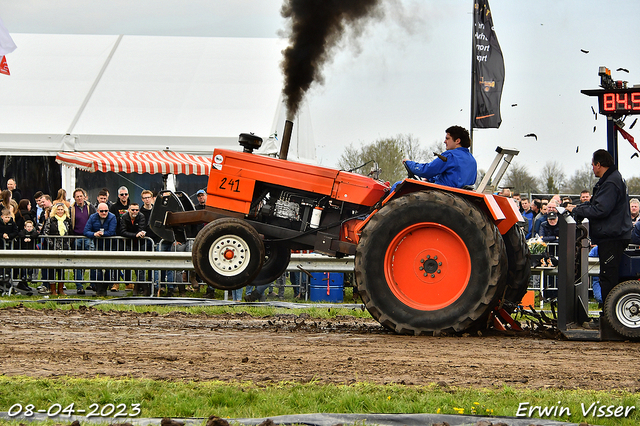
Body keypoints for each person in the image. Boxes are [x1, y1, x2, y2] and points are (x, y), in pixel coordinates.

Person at [567, 149, 632, 308]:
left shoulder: (610, 183)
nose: (592, 169)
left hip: (612, 237)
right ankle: (609, 314)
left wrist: (576, 211)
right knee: (608, 276)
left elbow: (601, 210)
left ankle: (608, 316)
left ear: (599, 164)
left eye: (592, 165)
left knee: (607, 277)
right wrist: (579, 207)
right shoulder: (613, 179)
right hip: (614, 235)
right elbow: (598, 205)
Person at [397, 125, 476, 190]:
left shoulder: (450, 156)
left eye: (447, 138)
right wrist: (430, 179)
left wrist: (409, 163)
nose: (444, 141)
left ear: (457, 141)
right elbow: (451, 177)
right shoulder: (472, 160)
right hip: (457, 194)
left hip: (444, 193)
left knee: (398, 186)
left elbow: (427, 170)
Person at [84, 203, 118, 296]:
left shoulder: (112, 217)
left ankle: (104, 289)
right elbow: (86, 230)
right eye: (102, 211)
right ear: (97, 211)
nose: (104, 213)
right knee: (97, 268)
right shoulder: (92, 217)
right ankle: (99, 289)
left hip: (110, 246)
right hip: (97, 246)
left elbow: (111, 231)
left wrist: (101, 234)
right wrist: (94, 234)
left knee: (108, 269)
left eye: (106, 211)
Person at [70, 188, 96, 294]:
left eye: (81, 196)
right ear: (74, 198)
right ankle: (79, 286)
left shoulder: (91, 207)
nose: (80, 198)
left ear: (84, 196)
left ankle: (93, 284)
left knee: (93, 261)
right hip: (76, 237)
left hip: (88, 237)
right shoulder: (71, 209)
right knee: (77, 263)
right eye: (77, 196)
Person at [42, 202, 72, 296]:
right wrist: (51, 243)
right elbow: (45, 233)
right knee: (52, 269)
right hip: (53, 248)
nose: (60, 211)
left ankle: (61, 289)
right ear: (55, 210)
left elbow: (70, 233)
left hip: (64, 247)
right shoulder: (50, 220)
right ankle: (53, 290)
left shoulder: (67, 220)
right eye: (58, 209)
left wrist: (68, 243)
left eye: (61, 209)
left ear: (64, 210)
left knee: (62, 269)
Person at [117, 203, 147, 294]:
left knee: (140, 266)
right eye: (133, 210)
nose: (135, 212)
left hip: (140, 244)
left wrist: (139, 234)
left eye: (136, 210)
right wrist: (135, 235)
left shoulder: (141, 216)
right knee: (128, 265)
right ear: (129, 210)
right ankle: (129, 284)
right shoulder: (124, 217)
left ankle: (141, 286)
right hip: (128, 244)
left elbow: (141, 228)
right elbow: (122, 231)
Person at [16, 220, 39, 291]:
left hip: (31, 252)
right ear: (25, 227)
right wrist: (24, 238)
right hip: (23, 252)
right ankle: (23, 280)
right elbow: (20, 234)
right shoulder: (23, 232)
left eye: (30, 226)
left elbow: (36, 234)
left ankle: (29, 278)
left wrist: (30, 238)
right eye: (27, 226)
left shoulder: (33, 233)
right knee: (23, 267)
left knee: (30, 267)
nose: (29, 228)